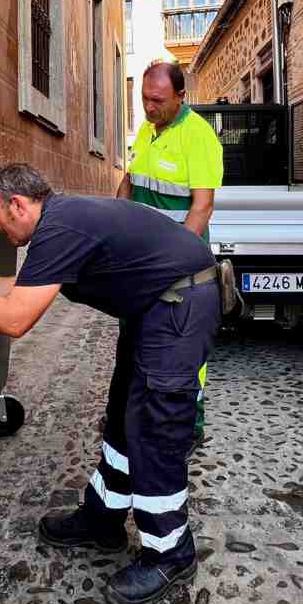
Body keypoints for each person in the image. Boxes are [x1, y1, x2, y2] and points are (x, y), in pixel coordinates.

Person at [0, 163, 221, 604]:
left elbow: (15, 319)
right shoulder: (60, 222)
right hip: (154, 306)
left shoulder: (61, 228)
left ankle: (170, 554)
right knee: (124, 417)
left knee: (156, 431)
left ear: (18, 205)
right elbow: (27, 289)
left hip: (178, 309)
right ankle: (102, 519)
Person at [118, 61, 223, 451]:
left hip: (178, 269)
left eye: (157, 100)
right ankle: (132, 418)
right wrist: (113, 227)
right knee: (136, 342)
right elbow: (131, 182)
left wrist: (171, 263)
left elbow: (202, 207)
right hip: (141, 265)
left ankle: (188, 427)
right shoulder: (147, 131)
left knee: (181, 352)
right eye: (144, 98)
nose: (149, 107)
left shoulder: (199, 137)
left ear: (181, 96)